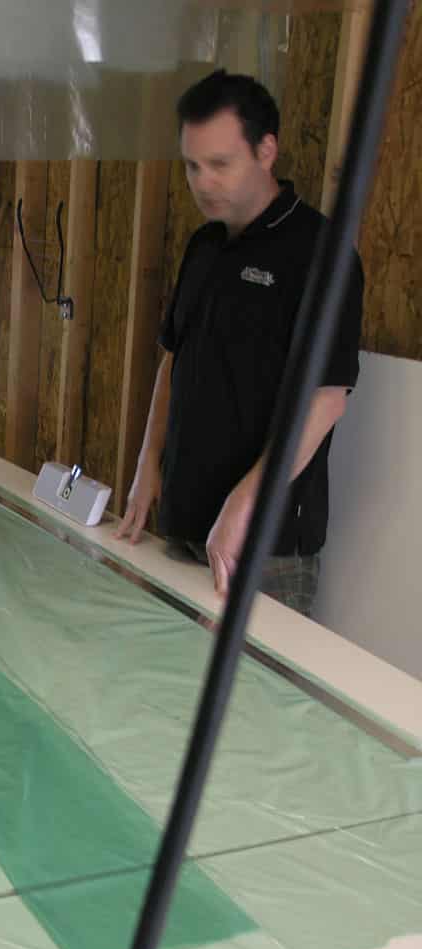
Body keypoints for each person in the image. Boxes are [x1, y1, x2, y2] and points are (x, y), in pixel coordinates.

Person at [115, 70, 363, 617]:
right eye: (192, 166)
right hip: (181, 529)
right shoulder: (203, 247)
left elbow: (327, 399)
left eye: (220, 164)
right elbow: (172, 361)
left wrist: (245, 502)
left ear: (266, 150)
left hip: (264, 552)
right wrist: (147, 465)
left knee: (254, 700)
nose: (203, 183)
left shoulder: (318, 253)